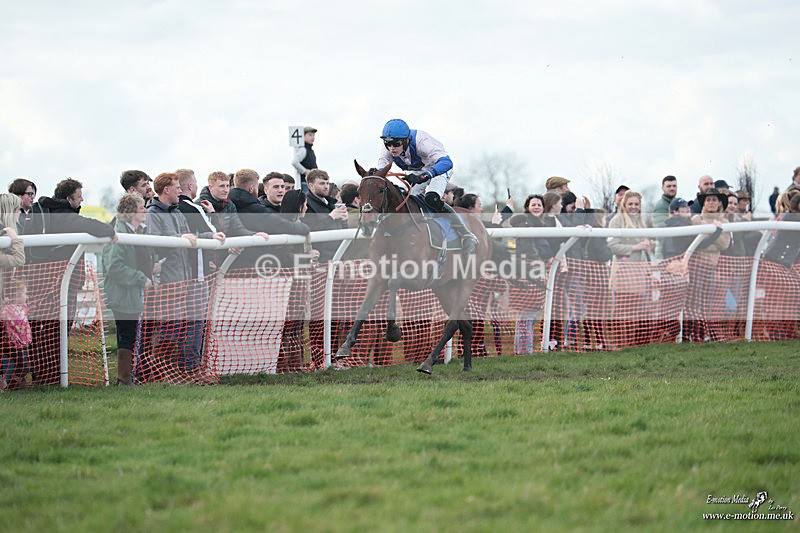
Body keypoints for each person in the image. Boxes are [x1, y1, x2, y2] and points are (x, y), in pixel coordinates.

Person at [376, 118, 478, 256]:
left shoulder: (422, 142)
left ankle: (466, 234)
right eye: (387, 143)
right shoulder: (388, 149)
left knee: (431, 198)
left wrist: (424, 176)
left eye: (396, 144)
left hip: (439, 168)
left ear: (406, 140)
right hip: (420, 172)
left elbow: (447, 162)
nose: (391, 148)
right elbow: (381, 171)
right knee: (410, 201)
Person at [102, 193, 155, 385]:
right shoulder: (118, 233)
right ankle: (124, 379)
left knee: (131, 334)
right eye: (141, 208)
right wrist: (140, 278)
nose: (145, 211)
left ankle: (128, 377)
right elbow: (114, 267)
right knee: (127, 335)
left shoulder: (135, 232)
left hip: (134, 292)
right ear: (131, 212)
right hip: (123, 293)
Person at [228, 168, 310, 269]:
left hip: (243, 264)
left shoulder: (229, 204)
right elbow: (280, 226)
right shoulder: (256, 209)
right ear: (252, 188)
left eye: (283, 187)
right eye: (276, 187)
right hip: (255, 265)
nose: (281, 190)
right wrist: (305, 228)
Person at [304, 169, 348, 263]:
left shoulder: (331, 203)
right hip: (320, 259)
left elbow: (341, 232)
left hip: (338, 256)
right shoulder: (305, 204)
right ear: (311, 186)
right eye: (322, 183)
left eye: (327, 183)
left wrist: (344, 221)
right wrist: (331, 217)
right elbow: (309, 230)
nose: (326, 186)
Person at [0, 278, 32, 391]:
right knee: (24, 366)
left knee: (24, 366)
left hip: (23, 343)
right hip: (13, 344)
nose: (27, 296)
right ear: (17, 294)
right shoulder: (7, 310)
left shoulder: (22, 307)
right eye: (25, 293)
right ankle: (11, 384)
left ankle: (13, 383)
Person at [291, 126, 318, 193]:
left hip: (310, 183)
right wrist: (305, 171)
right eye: (310, 135)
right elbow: (294, 162)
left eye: (313, 135)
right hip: (304, 183)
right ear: (303, 136)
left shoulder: (311, 150)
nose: (313, 137)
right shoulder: (303, 149)